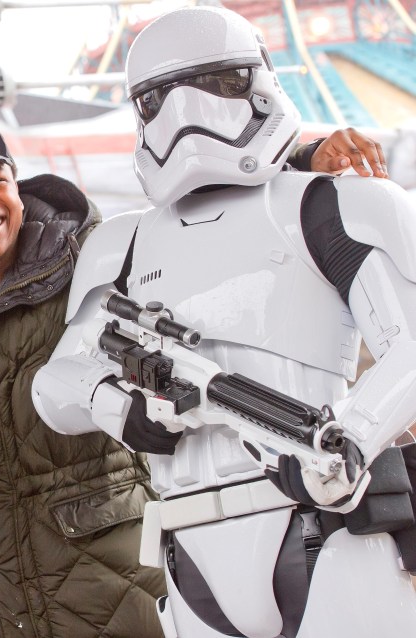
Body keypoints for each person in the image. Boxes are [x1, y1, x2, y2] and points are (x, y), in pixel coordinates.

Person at [0, 110, 385, 636]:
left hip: (101, 569)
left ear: (17, 189)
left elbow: (187, 214)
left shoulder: (84, 258)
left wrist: (296, 164)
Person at [33, 6, 416, 638]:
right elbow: (54, 387)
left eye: (215, 86)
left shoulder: (334, 206)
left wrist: (350, 436)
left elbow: (408, 349)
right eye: (159, 99)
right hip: (187, 551)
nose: (188, 116)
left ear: (255, 84)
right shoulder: (121, 245)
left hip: (326, 529)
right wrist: (117, 406)